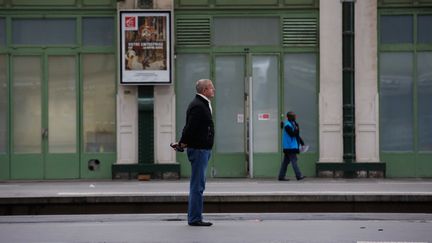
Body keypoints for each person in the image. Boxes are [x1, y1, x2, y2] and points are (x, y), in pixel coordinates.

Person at [171, 79, 215, 226]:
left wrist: (182, 142)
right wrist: (183, 142)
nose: (214, 90)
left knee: (198, 184)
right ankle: (195, 218)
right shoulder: (198, 106)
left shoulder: (202, 104)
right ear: (204, 90)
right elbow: (190, 128)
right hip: (199, 150)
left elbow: (193, 128)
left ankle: (195, 217)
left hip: (202, 149)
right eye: (211, 88)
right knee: (198, 185)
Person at [278, 111, 306, 181]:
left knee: (285, 162)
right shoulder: (287, 125)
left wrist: (302, 143)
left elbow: (296, 135)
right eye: (293, 116)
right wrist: (297, 128)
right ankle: (298, 175)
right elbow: (292, 134)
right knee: (294, 161)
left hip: (290, 146)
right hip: (290, 146)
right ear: (289, 117)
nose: (295, 117)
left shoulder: (293, 124)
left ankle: (281, 176)